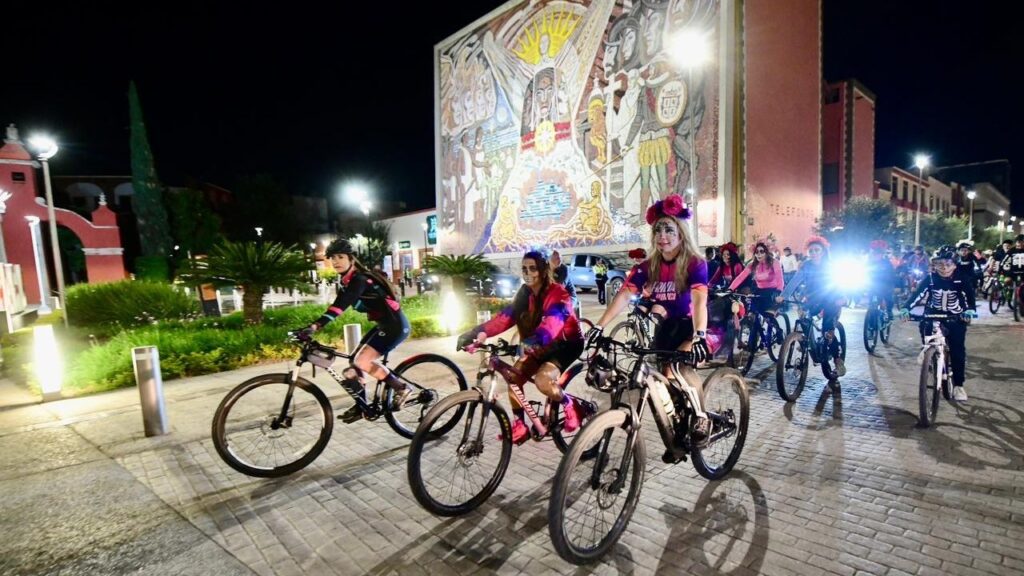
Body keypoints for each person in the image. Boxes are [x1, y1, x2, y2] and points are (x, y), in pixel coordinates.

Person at [588, 193, 711, 441]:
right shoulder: (649, 266)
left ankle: (701, 416)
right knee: (661, 380)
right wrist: (599, 327)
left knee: (676, 371)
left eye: (669, 230)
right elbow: (624, 295)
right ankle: (678, 425)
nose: (662, 236)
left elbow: (699, 300)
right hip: (668, 327)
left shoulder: (695, 263)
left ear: (681, 233)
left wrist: (700, 335)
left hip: (691, 326)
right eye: (657, 230)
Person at [456, 250, 584, 443]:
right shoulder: (525, 294)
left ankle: (570, 405)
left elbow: (552, 324)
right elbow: (504, 318)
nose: (528, 273)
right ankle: (520, 425)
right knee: (513, 378)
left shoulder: (558, 293)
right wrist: (476, 333)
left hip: (565, 344)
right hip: (539, 344)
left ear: (543, 271)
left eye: (533, 268)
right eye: (524, 269)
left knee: (543, 381)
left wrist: (531, 342)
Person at [297, 239, 412, 423]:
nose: (335, 261)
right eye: (332, 258)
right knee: (353, 364)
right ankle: (361, 406)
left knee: (362, 361)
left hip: (395, 326)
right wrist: (313, 325)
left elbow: (340, 307)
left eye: (340, 257)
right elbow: (336, 305)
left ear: (351, 259)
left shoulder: (359, 280)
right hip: (384, 325)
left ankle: (401, 388)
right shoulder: (348, 281)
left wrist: (315, 327)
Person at [899, 246, 977, 402]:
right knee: (925, 325)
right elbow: (917, 295)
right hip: (933, 313)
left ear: (955, 265)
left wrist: (969, 310)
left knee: (957, 351)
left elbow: (969, 297)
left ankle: (958, 386)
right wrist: (906, 308)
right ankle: (927, 349)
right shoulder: (930, 279)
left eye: (948, 264)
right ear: (934, 265)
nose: (944, 268)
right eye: (940, 264)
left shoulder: (962, 278)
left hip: (955, 316)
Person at [780, 236, 846, 385]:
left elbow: (839, 283)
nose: (814, 253)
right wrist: (783, 296)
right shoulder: (806, 266)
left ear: (823, 251)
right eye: (811, 251)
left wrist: (842, 297)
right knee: (803, 317)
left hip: (831, 301)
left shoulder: (831, 266)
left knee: (828, 331)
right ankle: (805, 341)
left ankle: (838, 360)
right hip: (813, 300)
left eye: (817, 250)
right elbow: (795, 281)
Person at [727, 241, 784, 314]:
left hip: (772, 292)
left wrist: (778, 291)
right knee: (752, 313)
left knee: (768, 315)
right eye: (756, 252)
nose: (759, 254)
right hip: (759, 292)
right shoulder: (752, 265)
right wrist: (730, 289)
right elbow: (740, 278)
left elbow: (780, 279)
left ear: (766, 252)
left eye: (761, 251)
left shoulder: (775, 262)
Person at [866, 240, 899, 319]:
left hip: (884, 285)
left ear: (881, 255)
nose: (876, 256)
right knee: (870, 298)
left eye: (878, 254)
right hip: (872, 284)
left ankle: (889, 311)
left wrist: (891, 282)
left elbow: (892, 274)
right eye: (875, 254)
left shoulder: (887, 263)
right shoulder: (869, 263)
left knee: (888, 298)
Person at [550, 250, 581, 317]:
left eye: (560, 258)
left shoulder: (563, 269)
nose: (560, 260)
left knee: (560, 310)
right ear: (550, 259)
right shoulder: (546, 269)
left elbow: (560, 287)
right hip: (555, 297)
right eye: (557, 258)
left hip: (569, 296)